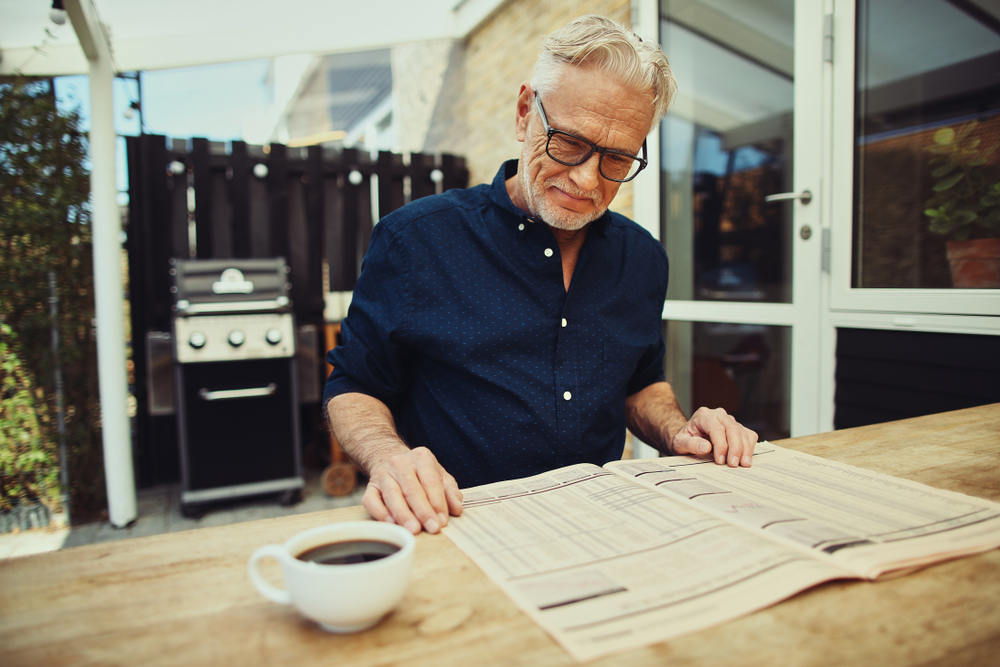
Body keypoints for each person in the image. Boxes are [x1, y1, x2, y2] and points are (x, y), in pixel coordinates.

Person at [324, 15, 758, 536]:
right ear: (526, 111)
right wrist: (388, 457)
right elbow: (353, 385)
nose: (586, 178)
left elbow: (641, 382)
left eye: (618, 158)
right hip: (453, 522)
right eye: (569, 142)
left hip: (604, 521)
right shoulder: (415, 240)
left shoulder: (643, 258)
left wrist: (678, 429)